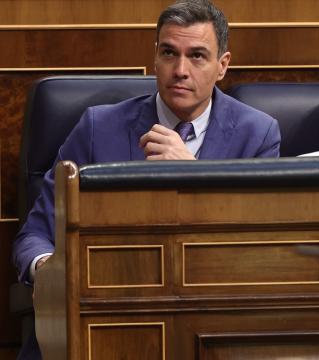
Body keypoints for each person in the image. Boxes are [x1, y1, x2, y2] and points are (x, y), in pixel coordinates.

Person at [13, 1, 280, 358]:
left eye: (197, 56)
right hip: (105, 306)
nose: (180, 70)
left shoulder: (258, 134)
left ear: (222, 66)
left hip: (205, 316)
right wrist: (48, 271)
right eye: (169, 52)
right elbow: (36, 232)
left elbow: (260, 246)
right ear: (155, 56)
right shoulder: (97, 128)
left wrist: (195, 174)